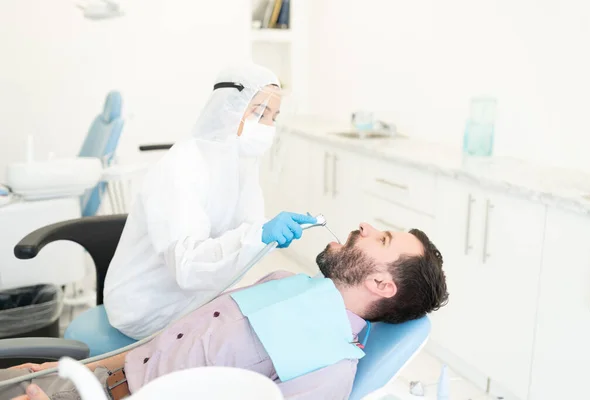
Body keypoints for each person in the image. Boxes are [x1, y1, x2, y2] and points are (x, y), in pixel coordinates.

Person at [1, 222, 448, 400]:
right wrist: (82, 369)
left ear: (381, 285)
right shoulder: (284, 284)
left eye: (382, 240)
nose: (365, 227)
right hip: (90, 381)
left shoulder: (328, 367)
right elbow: (168, 346)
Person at [103, 62, 316, 339]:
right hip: (146, 308)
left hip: (192, 298)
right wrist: (258, 237)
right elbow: (187, 266)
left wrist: (264, 235)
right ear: (229, 109)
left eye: (273, 117)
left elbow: (245, 230)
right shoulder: (183, 166)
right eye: (260, 113)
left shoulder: (240, 164)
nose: (268, 126)